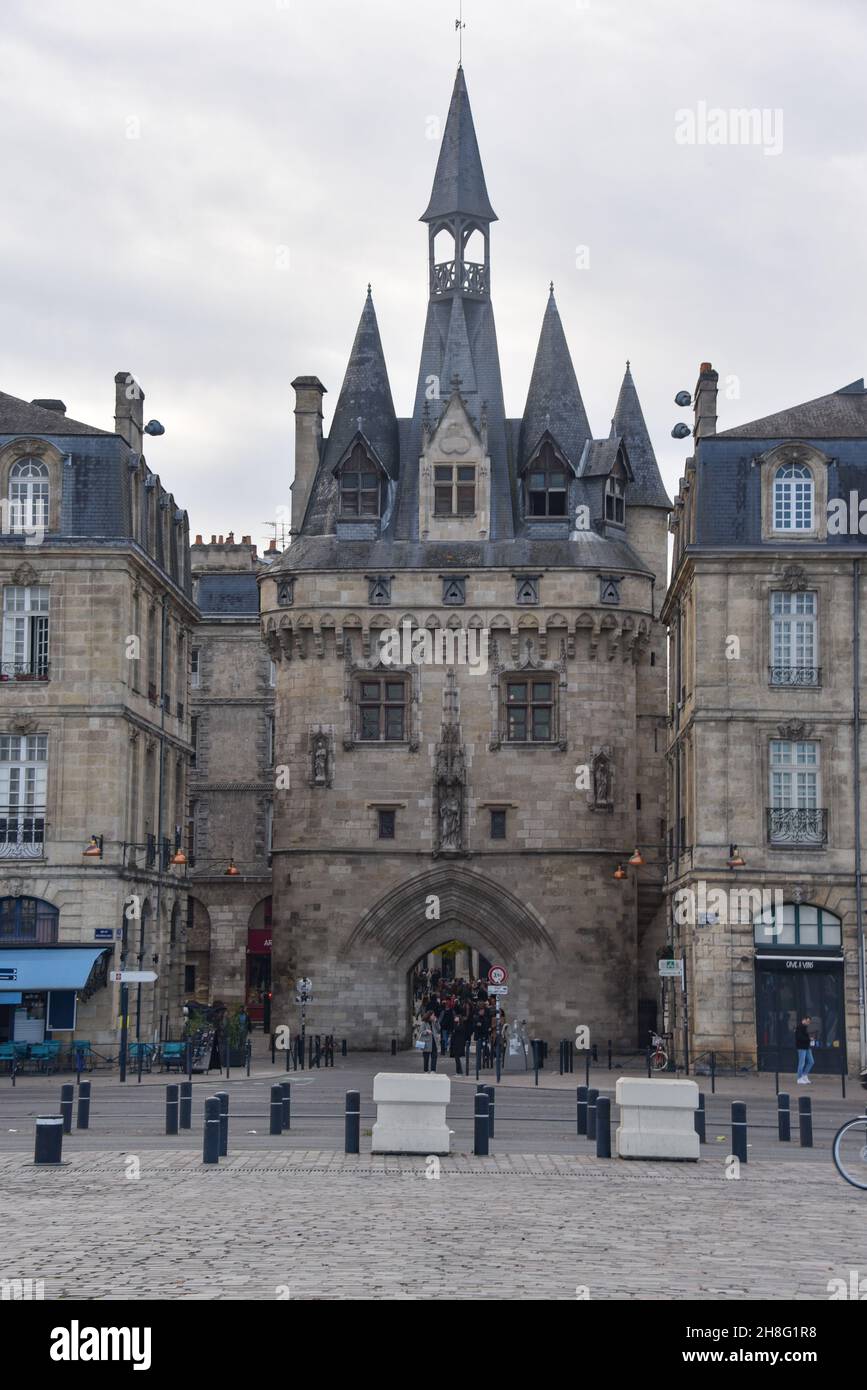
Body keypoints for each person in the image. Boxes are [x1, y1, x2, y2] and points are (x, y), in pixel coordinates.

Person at [795, 1016, 815, 1083]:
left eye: (809, 1022)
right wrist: (809, 1039)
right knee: (802, 1063)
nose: (808, 1023)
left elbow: (804, 1037)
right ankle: (799, 1078)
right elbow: (799, 1038)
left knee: (811, 1061)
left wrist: (810, 1039)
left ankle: (804, 1075)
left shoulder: (805, 1028)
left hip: (807, 1047)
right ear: (803, 1020)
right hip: (801, 1047)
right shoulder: (799, 1027)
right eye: (807, 1021)